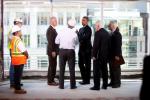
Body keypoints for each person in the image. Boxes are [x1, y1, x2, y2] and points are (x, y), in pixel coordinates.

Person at [55, 19, 78, 89]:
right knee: (72, 69)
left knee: (62, 69)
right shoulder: (74, 33)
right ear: (73, 26)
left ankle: (61, 86)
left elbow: (56, 41)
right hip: (71, 52)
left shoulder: (61, 31)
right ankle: (72, 86)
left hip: (62, 51)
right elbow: (77, 43)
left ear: (67, 24)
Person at [90, 21, 110, 90]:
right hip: (105, 56)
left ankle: (96, 86)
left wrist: (93, 55)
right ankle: (105, 85)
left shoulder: (98, 33)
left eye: (95, 26)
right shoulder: (107, 33)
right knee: (105, 70)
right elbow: (109, 46)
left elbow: (96, 45)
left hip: (98, 56)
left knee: (96, 71)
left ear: (98, 26)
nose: (95, 27)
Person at [10, 25, 28, 94]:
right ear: (17, 32)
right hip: (19, 60)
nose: (21, 32)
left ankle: (16, 88)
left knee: (16, 74)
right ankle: (18, 89)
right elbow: (23, 50)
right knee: (18, 75)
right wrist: (27, 55)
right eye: (20, 31)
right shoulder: (18, 40)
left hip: (15, 60)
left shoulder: (13, 39)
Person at [8, 18, 23, 88]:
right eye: (20, 23)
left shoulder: (17, 31)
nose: (21, 25)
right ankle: (13, 83)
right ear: (16, 23)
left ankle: (17, 82)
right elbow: (13, 41)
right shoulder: (12, 30)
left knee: (17, 68)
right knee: (13, 67)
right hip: (13, 51)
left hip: (17, 52)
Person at [77, 16, 92, 85]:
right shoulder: (80, 29)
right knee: (80, 64)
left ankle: (87, 80)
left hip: (87, 50)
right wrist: (80, 35)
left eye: (84, 20)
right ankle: (84, 79)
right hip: (81, 50)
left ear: (87, 21)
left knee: (87, 65)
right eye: (82, 20)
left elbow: (84, 38)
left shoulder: (89, 29)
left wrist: (78, 34)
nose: (82, 21)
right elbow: (80, 39)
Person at [108, 20, 122, 88]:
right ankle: (112, 82)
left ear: (113, 25)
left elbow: (118, 46)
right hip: (111, 55)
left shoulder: (118, 34)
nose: (108, 25)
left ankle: (117, 83)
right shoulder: (111, 33)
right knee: (111, 69)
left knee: (116, 70)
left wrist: (117, 55)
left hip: (116, 55)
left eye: (109, 24)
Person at [46, 17, 59, 86]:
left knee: (52, 66)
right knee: (52, 66)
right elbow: (51, 42)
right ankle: (50, 81)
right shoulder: (50, 30)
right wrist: (53, 51)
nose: (56, 22)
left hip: (53, 51)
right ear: (51, 22)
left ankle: (51, 80)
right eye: (55, 21)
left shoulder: (53, 29)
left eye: (56, 20)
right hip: (52, 51)